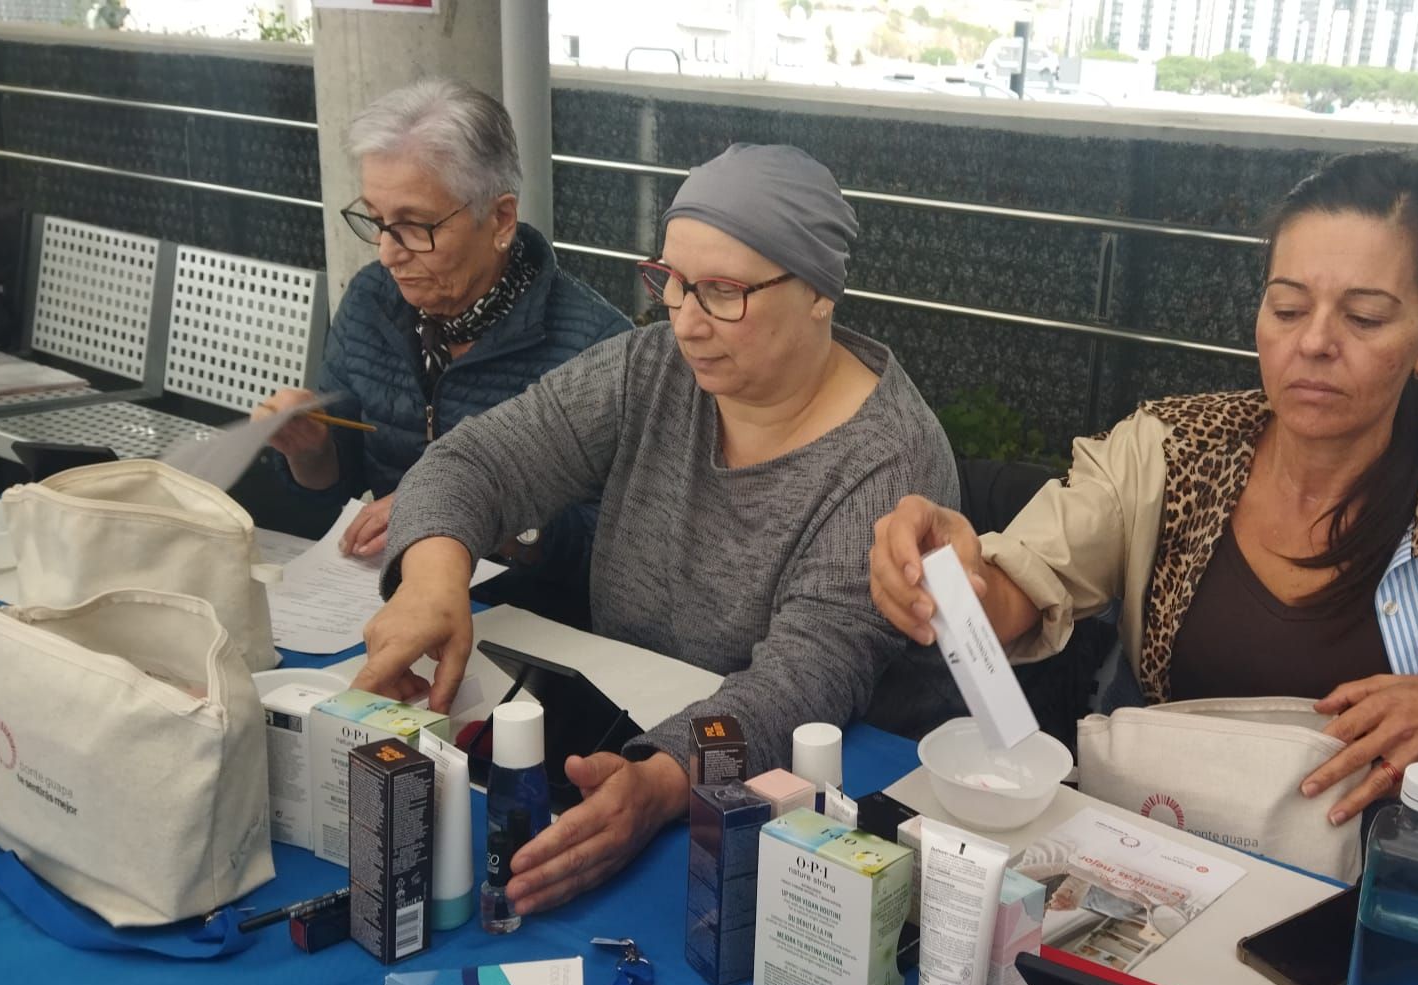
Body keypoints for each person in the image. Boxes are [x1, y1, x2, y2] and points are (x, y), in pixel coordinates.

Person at [871, 151, 1418, 839]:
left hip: (1344, 920)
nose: (1315, 342)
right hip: (1139, 866)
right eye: (1288, 307)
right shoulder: (1170, 452)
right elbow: (1024, 588)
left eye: (1364, 317)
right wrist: (954, 574)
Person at [355, 144, 959, 913]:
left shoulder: (886, 459)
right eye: (670, 282)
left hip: (807, 824)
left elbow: (801, 685)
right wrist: (434, 582)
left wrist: (663, 780)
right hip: (629, 733)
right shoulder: (653, 368)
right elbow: (482, 457)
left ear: (817, 293)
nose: (686, 320)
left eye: (722, 292)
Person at [254, 78, 631, 618]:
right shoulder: (373, 302)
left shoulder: (595, 347)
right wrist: (311, 453)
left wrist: (463, 510)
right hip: (374, 601)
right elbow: (334, 506)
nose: (387, 254)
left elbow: (612, 552)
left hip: (526, 626)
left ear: (499, 219)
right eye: (377, 222)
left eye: (412, 227)